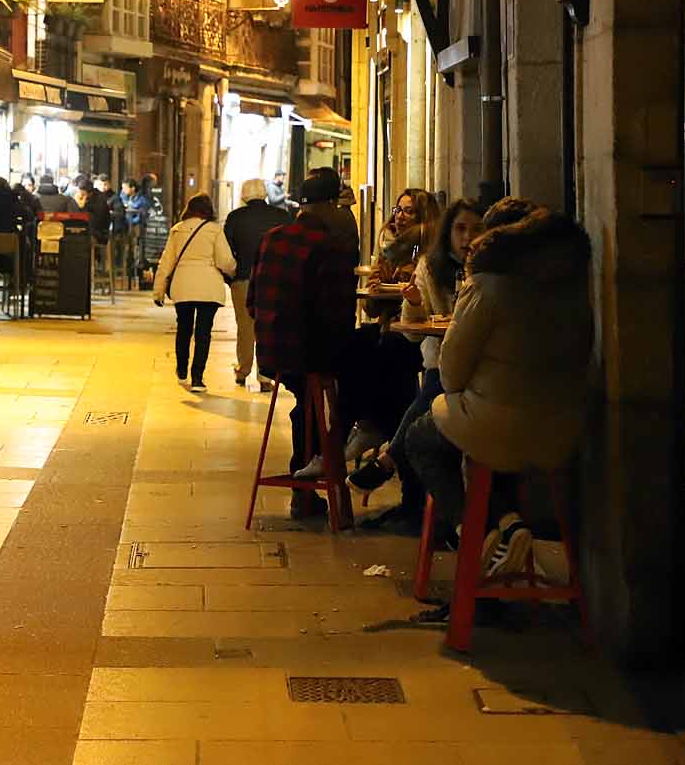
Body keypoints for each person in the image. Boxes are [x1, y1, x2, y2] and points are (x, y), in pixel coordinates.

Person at [403, 202, 593, 581]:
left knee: (422, 438)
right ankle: (509, 524)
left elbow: (452, 375)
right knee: (483, 439)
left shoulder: (487, 285)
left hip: (500, 430)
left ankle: (471, 534)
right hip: (562, 433)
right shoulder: (573, 287)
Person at [348, 197, 484, 531]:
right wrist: (412, 301)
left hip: (479, 372)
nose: (467, 237)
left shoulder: (488, 272)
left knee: (419, 399)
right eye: (460, 229)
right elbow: (410, 326)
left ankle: (386, 452)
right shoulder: (428, 265)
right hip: (439, 359)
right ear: (448, 232)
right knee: (381, 354)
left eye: (476, 229)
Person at [247, 171, 360, 520]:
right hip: (311, 352)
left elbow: (252, 300)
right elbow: (337, 314)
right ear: (330, 206)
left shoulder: (272, 238)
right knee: (369, 374)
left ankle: (305, 485)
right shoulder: (331, 246)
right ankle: (329, 457)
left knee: (305, 404)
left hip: (270, 352)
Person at [152, 193, 236, 392]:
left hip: (183, 285)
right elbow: (225, 261)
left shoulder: (177, 230)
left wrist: (159, 291)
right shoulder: (215, 230)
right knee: (203, 333)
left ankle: (182, 371)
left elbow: (166, 262)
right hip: (209, 287)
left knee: (184, 329)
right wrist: (233, 271)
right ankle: (197, 378)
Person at [222, 179, 291, 390]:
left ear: (244, 195)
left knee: (245, 326)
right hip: (274, 280)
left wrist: (230, 277)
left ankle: (243, 370)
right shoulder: (281, 217)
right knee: (270, 325)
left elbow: (226, 251)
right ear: (265, 194)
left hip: (243, 278)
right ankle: (265, 376)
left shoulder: (235, 218)